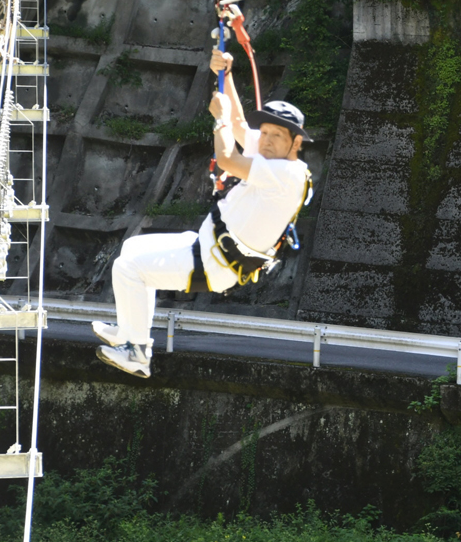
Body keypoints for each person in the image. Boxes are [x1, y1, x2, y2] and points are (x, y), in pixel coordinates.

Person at [93, 48, 312, 377]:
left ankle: (138, 353)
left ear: (295, 143)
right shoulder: (274, 157)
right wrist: (226, 74)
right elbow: (239, 125)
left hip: (215, 263)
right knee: (131, 248)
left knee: (127, 268)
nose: (264, 140)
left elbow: (227, 159)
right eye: (264, 132)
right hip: (207, 246)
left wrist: (218, 119)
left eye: (276, 135)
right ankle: (128, 331)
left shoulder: (288, 174)